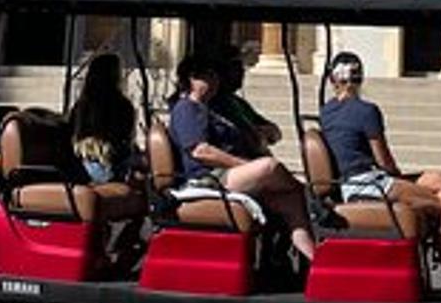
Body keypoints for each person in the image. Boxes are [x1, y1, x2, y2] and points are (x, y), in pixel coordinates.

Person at [318, 51, 441, 269]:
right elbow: (384, 162)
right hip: (369, 184)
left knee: (436, 179)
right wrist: (396, 176)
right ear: (360, 78)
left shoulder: (326, 112)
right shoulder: (367, 111)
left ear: (332, 80)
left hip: (352, 183)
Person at [166, 54, 316, 261]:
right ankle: (306, 199)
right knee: (269, 167)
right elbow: (200, 151)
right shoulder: (187, 108)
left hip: (227, 174)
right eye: (208, 76)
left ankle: (310, 257)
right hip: (207, 177)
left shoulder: (214, 110)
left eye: (215, 76)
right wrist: (243, 164)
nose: (214, 81)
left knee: (290, 199)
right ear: (192, 78)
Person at [67, 52, 136, 185]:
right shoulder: (122, 105)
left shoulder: (81, 106)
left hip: (82, 165)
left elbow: (70, 132)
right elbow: (126, 139)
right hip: (110, 167)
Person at [212, 42, 282, 151]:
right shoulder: (212, 105)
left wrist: (265, 131)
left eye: (241, 67)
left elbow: (274, 132)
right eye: (235, 67)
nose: (242, 72)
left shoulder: (238, 103)